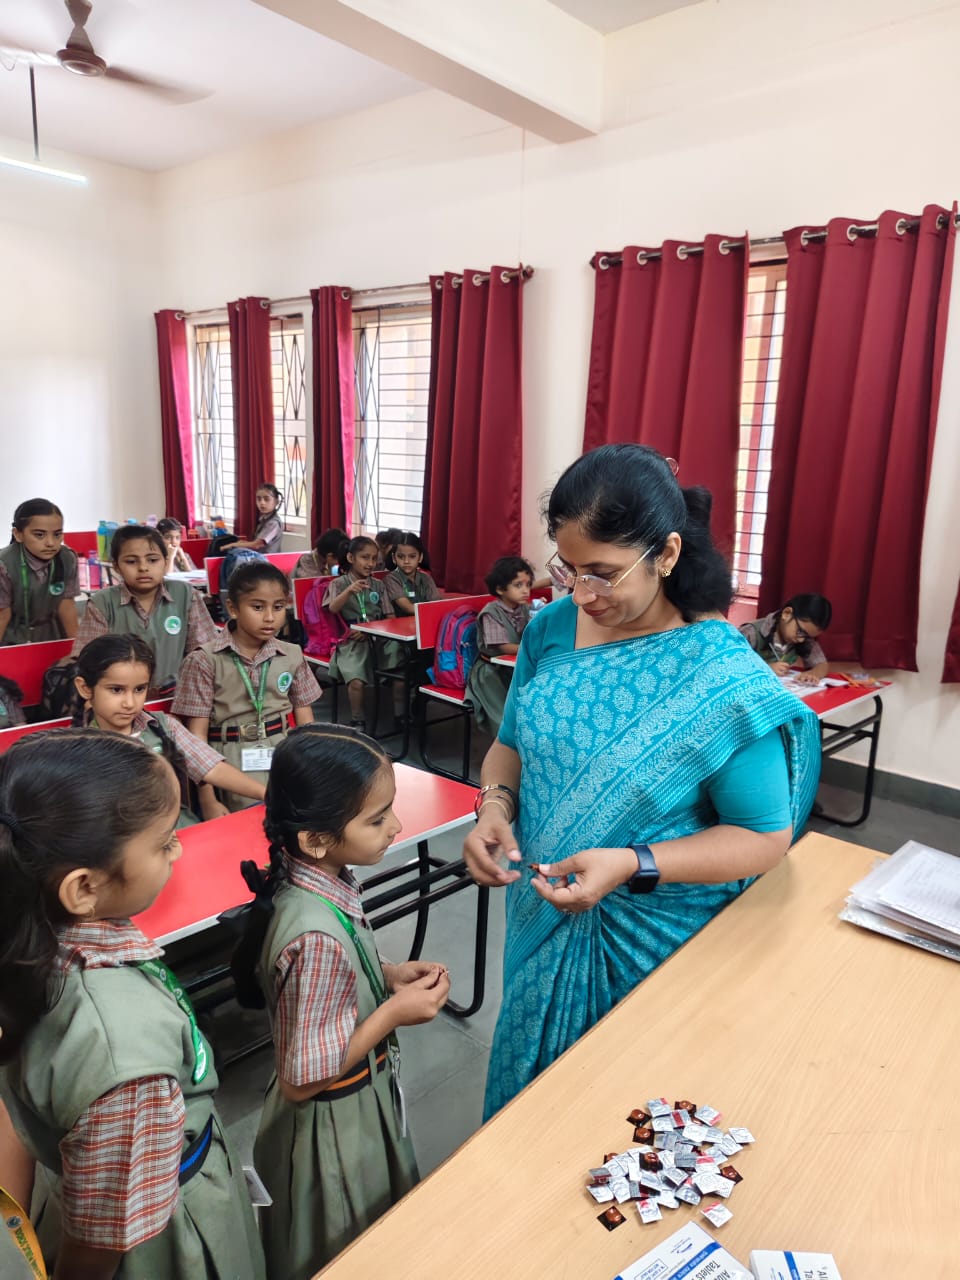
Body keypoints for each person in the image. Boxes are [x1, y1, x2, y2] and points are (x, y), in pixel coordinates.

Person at [462, 444, 821, 1118]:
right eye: (569, 569)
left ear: (667, 554)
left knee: (625, 1125)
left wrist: (631, 863)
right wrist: (495, 806)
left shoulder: (718, 674)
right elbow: (510, 745)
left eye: (604, 573)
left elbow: (763, 836)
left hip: (646, 931)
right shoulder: (551, 630)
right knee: (529, 1111)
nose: (582, 594)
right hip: (542, 906)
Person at [0, 730, 265, 1279]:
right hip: (163, 1241)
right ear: (84, 888)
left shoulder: (32, 937)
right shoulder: (122, 1055)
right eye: (164, 843)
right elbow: (100, 1243)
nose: (179, 849)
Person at [231, 724, 449, 1280]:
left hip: (353, 1101)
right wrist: (394, 1013)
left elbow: (334, 975)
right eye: (377, 819)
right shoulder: (314, 937)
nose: (396, 826)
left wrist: (387, 975)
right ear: (316, 839)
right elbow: (301, 1080)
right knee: (345, 1246)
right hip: (332, 1122)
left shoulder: (315, 879)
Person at [172, 562, 321, 810]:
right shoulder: (204, 660)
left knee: (298, 812)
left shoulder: (292, 654)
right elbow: (196, 736)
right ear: (233, 608)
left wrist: (312, 765)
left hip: (283, 750)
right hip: (228, 756)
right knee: (250, 818)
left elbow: (306, 720)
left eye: (278, 607)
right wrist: (207, 798)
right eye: (257, 607)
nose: (270, 617)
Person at [73, 635, 266, 824]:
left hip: (179, 827)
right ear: (85, 688)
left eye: (139, 689)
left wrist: (265, 793)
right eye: (116, 690)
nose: (129, 703)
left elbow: (211, 768)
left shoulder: (163, 726)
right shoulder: (77, 748)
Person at [70, 525, 217, 694]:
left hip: (178, 696)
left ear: (165, 561)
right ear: (116, 566)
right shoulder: (102, 603)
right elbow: (88, 663)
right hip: (120, 699)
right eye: (131, 562)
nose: (143, 568)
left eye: (152, 560)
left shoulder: (186, 595)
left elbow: (207, 654)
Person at [325, 536, 405, 732]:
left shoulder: (379, 585)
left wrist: (371, 631)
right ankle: (357, 719)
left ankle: (400, 715)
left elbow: (390, 616)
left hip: (378, 637)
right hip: (352, 641)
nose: (370, 563)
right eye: (365, 557)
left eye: (374, 558)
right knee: (356, 681)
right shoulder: (339, 584)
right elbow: (332, 608)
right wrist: (349, 591)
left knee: (401, 669)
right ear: (351, 558)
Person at [465, 555, 534, 735]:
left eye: (528, 584)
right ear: (500, 588)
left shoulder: (524, 609)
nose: (525, 590)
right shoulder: (491, 613)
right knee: (504, 719)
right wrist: (534, 649)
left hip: (513, 669)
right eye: (518, 585)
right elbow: (503, 647)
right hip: (490, 672)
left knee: (531, 711)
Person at [0, 499, 80, 645]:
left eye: (57, 534)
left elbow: (67, 606)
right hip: (12, 639)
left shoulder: (67, 558)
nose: (51, 543)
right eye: (39, 535)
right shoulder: (4, 565)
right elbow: (2, 615)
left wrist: (78, 648)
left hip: (52, 635)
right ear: (18, 534)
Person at [739, 594, 832, 684]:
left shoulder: (803, 636)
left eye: (807, 637)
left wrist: (812, 674)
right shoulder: (751, 632)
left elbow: (821, 664)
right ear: (786, 613)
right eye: (800, 631)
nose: (801, 640)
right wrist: (765, 668)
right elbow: (733, 666)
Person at [215, 483, 284, 556]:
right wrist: (242, 543)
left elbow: (257, 545)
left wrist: (233, 545)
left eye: (266, 499)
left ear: (276, 502)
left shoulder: (273, 523)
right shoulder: (263, 519)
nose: (262, 503)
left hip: (266, 561)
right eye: (258, 499)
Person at [383, 532, 440, 616]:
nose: (406, 561)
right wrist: (432, 610)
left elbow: (437, 604)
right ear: (394, 558)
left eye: (412, 556)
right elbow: (408, 608)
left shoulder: (426, 578)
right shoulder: (391, 579)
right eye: (401, 556)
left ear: (420, 557)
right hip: (402, 622)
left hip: (425, 619)